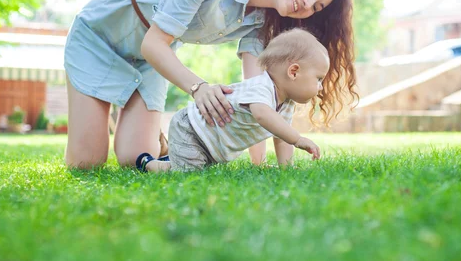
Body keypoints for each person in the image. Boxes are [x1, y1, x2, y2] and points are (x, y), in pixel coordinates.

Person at [63, 0, 357, 169]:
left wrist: (261, 165)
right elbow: (153, 44)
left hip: (148, 62)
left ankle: (150, 133)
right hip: (100, 37)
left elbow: (258, 93)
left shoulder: (260, 23)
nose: (306, 4)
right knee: (86, 163)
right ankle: (108, 116)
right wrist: (199, 87)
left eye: (316, 7)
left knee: (132, 159)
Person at [136, 29, 326, 172]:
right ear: (293, 71)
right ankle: (150, 165)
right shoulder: (261, 87)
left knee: (198, 169)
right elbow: (262, 114)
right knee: (188, 174)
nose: (321, 87)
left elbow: (282, 137)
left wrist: (287, 169)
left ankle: (172, 159)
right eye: (319, 79)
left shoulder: (287, 104)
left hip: (213, 146)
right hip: (191, 129)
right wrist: (298, 139)